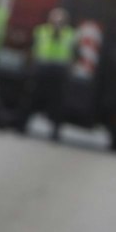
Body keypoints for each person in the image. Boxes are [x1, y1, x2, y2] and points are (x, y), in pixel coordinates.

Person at [27, 8, 75, 139]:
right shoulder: (41, 31)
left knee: (57, 103)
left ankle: (55, 132)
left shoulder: (70, 34)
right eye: (55, 19)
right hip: (42, 69)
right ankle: (22, 124)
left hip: (59, 72)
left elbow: (73, 53)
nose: (57, 22)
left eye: (61, 20)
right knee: (32, 98)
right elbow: (33, 48)